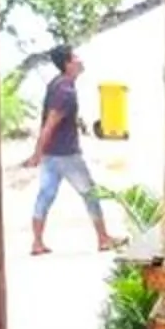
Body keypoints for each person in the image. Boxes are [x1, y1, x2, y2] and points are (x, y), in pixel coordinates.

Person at [21, 45, 116, 255]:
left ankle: (37, 242)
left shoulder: (56, 84)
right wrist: (37, 153)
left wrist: (41, 153)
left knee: (45, 196)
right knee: (90, 193)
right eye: (75, 57)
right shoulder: (66, 91)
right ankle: (103, 238)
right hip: (67, 155)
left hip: (51, 154)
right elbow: (50, 123)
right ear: (67, 64)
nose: (80, 59)